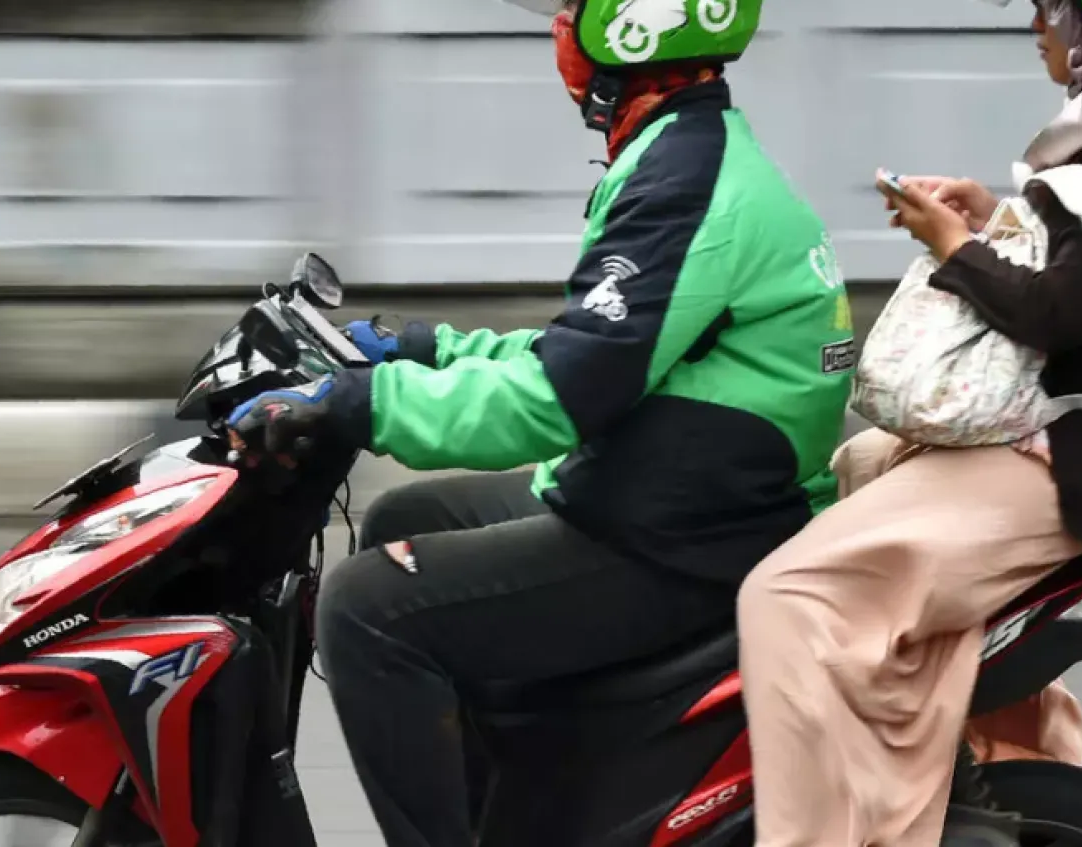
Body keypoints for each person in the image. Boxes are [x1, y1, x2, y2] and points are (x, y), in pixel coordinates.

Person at [226, 1, 857, 844]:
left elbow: (559, 398)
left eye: (575, 9)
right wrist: (428, 349)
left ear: (637, 28)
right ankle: (523, 804)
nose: (560, 26)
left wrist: (362, 403)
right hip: (677, 500)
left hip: (683, 542)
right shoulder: (687, 157)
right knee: (405, 520)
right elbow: (600, 347)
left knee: (364, 607)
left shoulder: (686, 186)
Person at [735, 1, 1082, 846]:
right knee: (862, 461)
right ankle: (970, 776)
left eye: (1053, 7)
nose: (1038, 24)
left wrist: (954, 247)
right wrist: (988, 223)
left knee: (787, 598)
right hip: (1081, 434)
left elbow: (1062, 314)